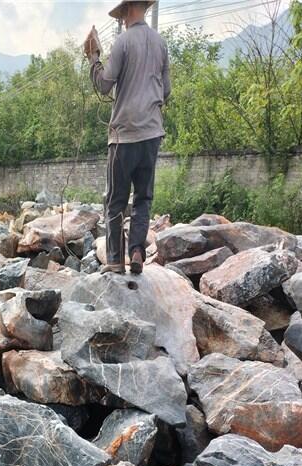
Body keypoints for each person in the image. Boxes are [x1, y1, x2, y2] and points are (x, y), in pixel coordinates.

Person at [84, 1, 170, 274]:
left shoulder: (122, 43)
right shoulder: (161, 43)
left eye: (121, 14)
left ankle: (114, 261)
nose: (120, 19)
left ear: (128, 10)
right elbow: (166, 90)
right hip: (151, 133)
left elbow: (105, 83)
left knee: (116, 200)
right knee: (143, 198)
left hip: (123, 136)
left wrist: (93, 58)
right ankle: (136, 251)